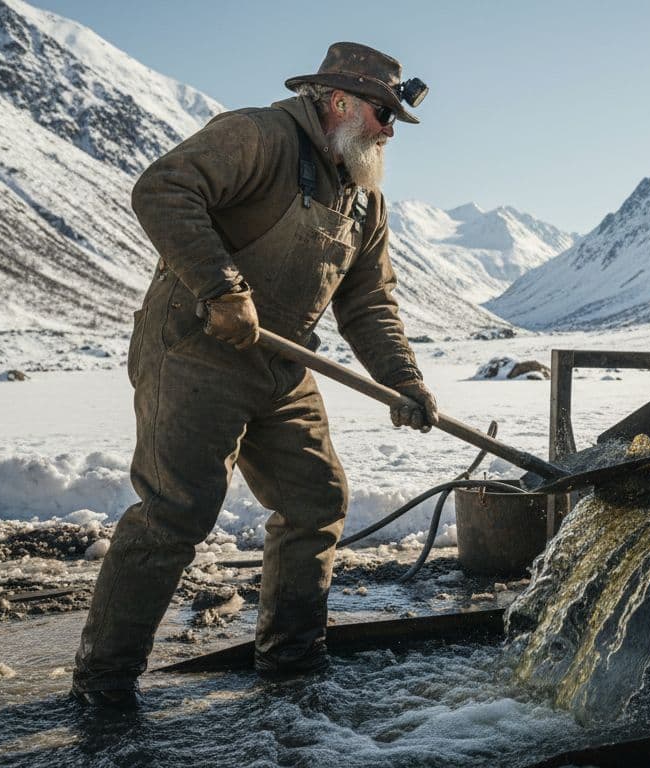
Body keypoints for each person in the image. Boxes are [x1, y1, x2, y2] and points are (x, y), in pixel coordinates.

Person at [70, 42, 438, 708]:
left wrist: (404, 383)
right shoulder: (257, 136)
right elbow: (163, 188)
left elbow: (369, 302)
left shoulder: (365, 200)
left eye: (392, 119)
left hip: (282, 359)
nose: (388, 130)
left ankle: (291, 662)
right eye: (383, 114)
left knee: (316, 501)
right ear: (337, 101)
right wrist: (219, 284)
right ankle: (104, 682)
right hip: (195, 347)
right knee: (175, 511)